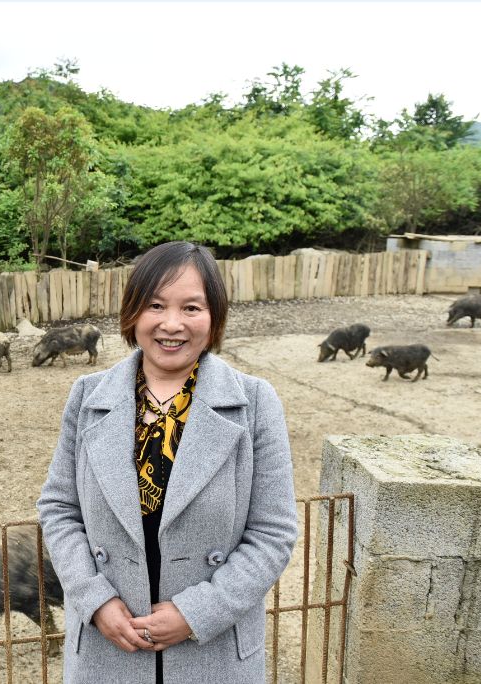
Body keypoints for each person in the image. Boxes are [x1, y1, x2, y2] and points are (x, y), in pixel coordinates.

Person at [37, 241, 297, 683]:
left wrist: (198, 612)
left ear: (214, 316)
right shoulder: (87, 397)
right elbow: (59, 510)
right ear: (133, 313)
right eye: (155, 305)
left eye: (191, 307)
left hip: (213, 651)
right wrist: (94, 600)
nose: (171, 324)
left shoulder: (254, 402)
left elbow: (273, 532)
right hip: (107, 649)